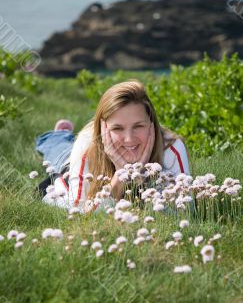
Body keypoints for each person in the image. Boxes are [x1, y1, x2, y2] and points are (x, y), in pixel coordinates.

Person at [35, 79, 191, 213]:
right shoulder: (86, 144)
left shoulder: (171, 148)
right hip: (69, 162)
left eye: (138, 126)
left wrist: (140, 176)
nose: (129, 139)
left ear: (151, 123)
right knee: (60, 150)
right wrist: (120, 178)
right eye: (117, 128)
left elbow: (184, 211)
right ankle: (59, 134)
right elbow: (80, 214)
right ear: (103, 129)